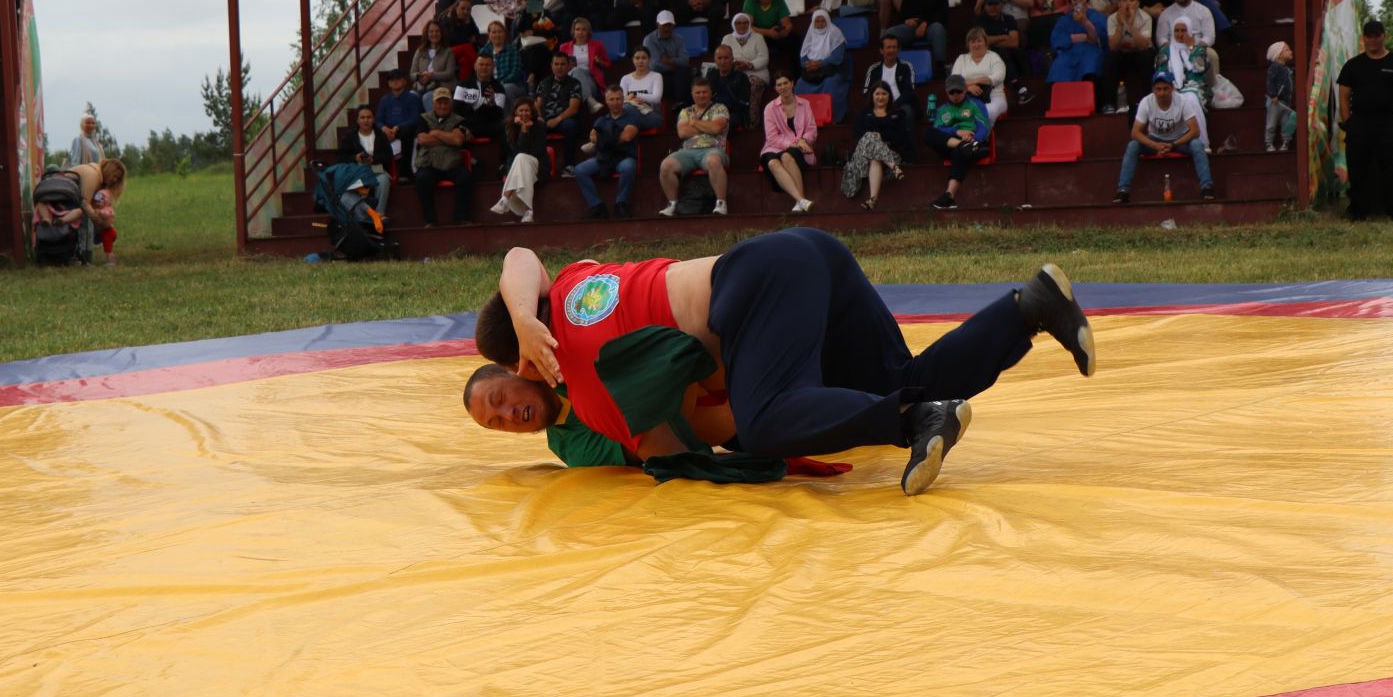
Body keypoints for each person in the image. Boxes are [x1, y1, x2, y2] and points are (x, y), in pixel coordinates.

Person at [466, 232, 1095, 495]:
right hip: (801, 260)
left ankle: (915, 421)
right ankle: (1028, 308)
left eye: (498, 403)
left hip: (760, 287)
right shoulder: (580, 278)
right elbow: (521, 258)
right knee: (895, 380)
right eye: (497, 424)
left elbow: (713, 433)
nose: (508, 417)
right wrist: (524, 316)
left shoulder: (599, 402)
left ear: (519, 366)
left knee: (766, 421)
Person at [1335, 18, 1393, 221]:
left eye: (1377, 36)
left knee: (1392, 167)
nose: (1373, 40)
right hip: (1359, 124)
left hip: (1389, 123)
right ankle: (1358, 210)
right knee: (1357, 168)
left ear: (1384, 37)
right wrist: (1349, 123)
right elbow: (1343, 95)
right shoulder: (1353, 65)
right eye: (1369, 36)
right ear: (1364, 39)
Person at [1116, 72, 1215, 203]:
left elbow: (1195, 131)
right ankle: (1123, 190)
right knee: (1133, 145)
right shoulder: (1146, 102)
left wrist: (1173, 144)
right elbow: (1135, 133)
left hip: (1179, 140)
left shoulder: (1182, 101)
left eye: (1165, 88)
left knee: (1197, 144)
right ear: (1153, 89)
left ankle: (1206, 187)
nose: (1162, 93)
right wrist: (1156, 146)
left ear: (1172, 88)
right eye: (1158, 89)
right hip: (1155, 140)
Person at [658, 77, 730, 218]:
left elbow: (716, 128)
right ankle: (672, 204)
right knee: (666, 165)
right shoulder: (685, 111)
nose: (701, 95)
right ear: (692, 93)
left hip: (712, 149)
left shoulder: (720, 108)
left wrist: (694, 122)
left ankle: (721, 203)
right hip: (687, 152)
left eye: (704, 92)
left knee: (714, 161)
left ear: (711, 93)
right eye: (698, 92)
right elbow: (682, 132)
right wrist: (706, 125)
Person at [924, 74, 992, 213]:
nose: (955, 95)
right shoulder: (942, 109)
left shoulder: (975, 104)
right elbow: (938, 129)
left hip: (974, 145)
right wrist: (957, 132)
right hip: (952, 144)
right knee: (928, 133)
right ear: (946, 92)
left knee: (960, 152)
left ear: (965, 90)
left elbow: (984, 126)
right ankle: (961, 145)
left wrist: (973, 141)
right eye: (951, 92)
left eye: (959, 91)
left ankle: (949, 196)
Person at [842, 82, 910, 209]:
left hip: (890, 157)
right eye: (877, 93)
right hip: (863, 160)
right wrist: (875, 137)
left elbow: (902, 136)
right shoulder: (863, 114)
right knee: (869, 136)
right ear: (872, 96)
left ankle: (873, 199)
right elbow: (857, 134)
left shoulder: (898, 113)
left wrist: (882, 136)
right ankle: (893, 167)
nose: (880, 97)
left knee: (876, 158)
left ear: (889, 95)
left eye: (884, 93)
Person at [576, 86, 640, 218]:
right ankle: (597, 205)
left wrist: (603, 139)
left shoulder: (632, 117)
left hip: (624, 156)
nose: (615, 102)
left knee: (629, 166)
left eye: (618, 99)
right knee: (579, 170)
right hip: (604, 157)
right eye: (612, 99)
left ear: (623, 100)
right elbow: (593, 137)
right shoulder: (601, 120)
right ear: (606, 101)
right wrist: (614, 137)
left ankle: (621, 203)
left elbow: (627, 136)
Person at [411, 88, 472, 227]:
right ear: (433, 103)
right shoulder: (423, 118)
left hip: (452, 163)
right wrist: (448, 137)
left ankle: (461, 217)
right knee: (422, 178)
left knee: (465, 177)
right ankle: (430, 220)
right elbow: (422, 140)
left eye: (446, 102)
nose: (443, 106)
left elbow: (458, 141)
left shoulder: (459, 120)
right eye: (439, 102)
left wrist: (436, 133)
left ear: (451, 103)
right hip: (429, 163)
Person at [760, 74, 819, 214]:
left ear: (792, 83)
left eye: (785, 83)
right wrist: (793, 143)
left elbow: (812, 130)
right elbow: (772, 138)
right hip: (773, 147)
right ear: (775, 88)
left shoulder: (804, 104)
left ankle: (799, 202)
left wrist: (804, 140)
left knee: (787, 157)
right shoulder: (770, 108)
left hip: (799, 146)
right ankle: (801, 200)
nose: (783, 87)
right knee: (772, 163)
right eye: (779, 85)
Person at [489, 99, 547, 225]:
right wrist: (522, 129)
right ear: (515, 112)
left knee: (522, 158)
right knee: (521, 158)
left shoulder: (540, 125)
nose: (524, 113)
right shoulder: (509, 126)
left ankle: (505, 199)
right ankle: (528, 212)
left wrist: (525, 131)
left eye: (527, 110)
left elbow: (537, 151)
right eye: (521, 110)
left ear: (531, 112)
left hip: (538, 164)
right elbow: (515, 152)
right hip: (520, 165)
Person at [886, 0, 951, 70]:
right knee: (890, 33)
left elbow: (943, 16)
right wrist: (906, 21)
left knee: (938, 29)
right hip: (912, 28)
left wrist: (926, 23)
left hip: (931, 27)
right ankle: (892, 66)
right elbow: (901, 18)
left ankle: (940, 66)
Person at [1154, 19, 1214, 136]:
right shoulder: (1165, 51)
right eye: (1177, 30)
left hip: (1196, 87)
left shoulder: (1199, 49)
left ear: (1190, 32)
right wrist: (1171, 88)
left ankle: (1200, 140)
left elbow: (1201, 67)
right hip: (1171, 87)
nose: (1180, 34)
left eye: (1183, 30)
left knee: (1190, 98)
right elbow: (1161, 74)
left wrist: (1191, 48)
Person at [794, 8, 850, 124]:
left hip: (833, 71)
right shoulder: (811, 33)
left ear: (828, 21)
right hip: (813, 72)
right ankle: (803, 120)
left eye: (823, 21)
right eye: (817, 21)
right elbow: (802, 59)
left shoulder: (835, 33)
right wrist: (808, 65)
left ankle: (832, 118)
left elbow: (838, 57)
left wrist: (820, 63)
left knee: (831, 84)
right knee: (800, 84)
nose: (820, 24)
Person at [1103, 0, 1155, 114]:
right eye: (1124, 0)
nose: (1128, 4)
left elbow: (1143, 46)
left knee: (1147, 56)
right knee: (1110, 57)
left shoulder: (1145, 18)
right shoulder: (1112, 18)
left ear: (1137, 3)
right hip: (1122, 54)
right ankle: (1108, 104)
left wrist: (1131, 25)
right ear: (1119, 4)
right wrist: (1121, 26)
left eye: (1132, 0)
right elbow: (1113, 46)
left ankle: (1150, 101)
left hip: (1140, 54)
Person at [535, 49, 587, 172]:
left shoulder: (575, 83)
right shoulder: (544, 83)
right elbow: (537, 105)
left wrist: (557, 119)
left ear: (568, 66)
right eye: (556, 64)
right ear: (551, 66)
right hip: (545, 119)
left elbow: (573, 108)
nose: (559, 67)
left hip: (564, 119)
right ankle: (538, 165)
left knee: (571, 126)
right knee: (533, 126)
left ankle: (568, 165)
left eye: (563, 64)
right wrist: (539, 117)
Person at [1047, 0, 1106, 89]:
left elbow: (1099, 39)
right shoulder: (1063, 20)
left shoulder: (1098, 16)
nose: (1078, 2)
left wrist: (1085, 22)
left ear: (1087, 2)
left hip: (1090, 50)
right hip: (1069, 51)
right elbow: (1057, 40)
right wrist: (1082, 37)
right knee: (1059, 65)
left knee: (1090, 65)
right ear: (1070, 3)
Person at [955, 24, 1011, 127]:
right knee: (962, 112)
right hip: (967, 97)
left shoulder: (994, 57)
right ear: (968, 45)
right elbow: (954, 81)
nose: (976, 45)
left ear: (986, 43)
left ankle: (980, 138)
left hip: (994, 96)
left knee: (988, 110)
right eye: (973, 42)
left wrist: (974, 81)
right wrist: (968, 88)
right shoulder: (961, 59)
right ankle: (974, 139)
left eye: (979, 41)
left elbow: (999, 77)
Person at [861, 35, 918, 133]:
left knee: (907, 111)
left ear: (898, 49)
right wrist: (880, 105)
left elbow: (909, 91)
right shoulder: (873, 69)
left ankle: (908, 146)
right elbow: (867, 92)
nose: (892, 50)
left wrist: (894, 105)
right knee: (864, 115)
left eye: (894, 47)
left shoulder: (906, 67)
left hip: (900, 105)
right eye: (888, 47)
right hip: (878, 103)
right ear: (881, 50)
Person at [349, 104, 396, 213]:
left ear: (373, 120)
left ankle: (378, 215)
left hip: (377, 168)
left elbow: (388, 157)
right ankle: (361, 215)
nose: (366, 120)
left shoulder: (381, 136)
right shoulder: (350, 137)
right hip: (358, 169)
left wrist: (373, 159)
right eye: (362, 117)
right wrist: (355, 158)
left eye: (369, 117)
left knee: (383, 180)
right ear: (357, 120)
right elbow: (341, 157)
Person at [453, 52, 509, 142]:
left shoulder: (498, 87)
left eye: (488, 65)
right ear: (475, 66)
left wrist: (492, 103)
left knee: (500, 126)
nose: (484, 68)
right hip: (466, 123)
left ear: (493, 67)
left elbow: (498, 115)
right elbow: (456, 110)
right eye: (481, 64)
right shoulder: (463, 84)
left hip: (486, 125)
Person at [742, 0, 797, 67]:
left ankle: (795, 74)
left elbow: (787, 23)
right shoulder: (750, 1)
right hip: (758, 35)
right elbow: (748, 28)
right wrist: (768, 33)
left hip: (776, 33)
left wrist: (785, 31)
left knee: (795, 39)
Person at [642, 11, 691, 106]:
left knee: (685, 72)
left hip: (677, 74)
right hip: (658, 77)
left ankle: (681, 103)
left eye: (670, 25)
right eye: (664, 25)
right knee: (682, 75)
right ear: (658, 24)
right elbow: (654, 66)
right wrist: (675, 64)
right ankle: (681, 103)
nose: (667, 28)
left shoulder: (679, 39)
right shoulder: (649, 40)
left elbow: (685, 60)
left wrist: (669, 60)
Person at [376, 68, 425, 159]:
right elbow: (379, 120)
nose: (395, 82)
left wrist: (398, 127)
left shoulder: (412, 98)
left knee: (406, 132)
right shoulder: (384, 99)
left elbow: (416, 118)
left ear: (404, 81)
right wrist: (384, 128)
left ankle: (405, 168)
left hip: (406, 130)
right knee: (378, 133)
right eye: (392, 80)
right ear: (388, 83)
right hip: (389, 130)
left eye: (398, 79)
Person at [705, 43, 755, 131]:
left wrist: (721, 108)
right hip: (713, 112)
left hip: (733, 113)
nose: (723, 62)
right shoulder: (711, 75)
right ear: (715, 60)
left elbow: (743, 103)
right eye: (719, 58)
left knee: (717, 124)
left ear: (732, 59)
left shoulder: (741, 77)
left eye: (726, 58)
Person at [720, 11, 771, 92]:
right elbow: (722, 56)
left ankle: (753, 105)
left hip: (757, 74)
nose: (742, 26)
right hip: (733, 74)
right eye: (738, 23)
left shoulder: (758, 37)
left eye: (745, 23)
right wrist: (734, 64)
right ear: (733, 24)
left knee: (752, 84)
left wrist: (748, 65)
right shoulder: (727, 39)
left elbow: (764, 58)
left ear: (749, 24)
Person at [617, 46, 666, 130]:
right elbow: (621, 100)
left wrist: (634, 95)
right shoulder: (625, 78)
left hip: (652, 114)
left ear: (649, 60)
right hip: (631, 114)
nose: (640, 61)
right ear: (633, 60)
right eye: (637, 58)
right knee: (629, 117)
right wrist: (634, 100)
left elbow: (656, 98)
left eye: (644, 58)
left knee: (625, 112)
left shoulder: (656, 76)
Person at [481, 20, 528, 106]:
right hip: (489, 83)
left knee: (505, 88)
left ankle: (511, 116)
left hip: (512, 84)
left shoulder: (512, 49)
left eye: (500, 32)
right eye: (494, 32)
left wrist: (499, 84)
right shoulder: (484, 51)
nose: (497, 35)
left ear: (504, 33)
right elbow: (479, 71)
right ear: (489, 35)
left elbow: (515, 72)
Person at [1264, 41, 1298, 152]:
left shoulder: (1287, 69)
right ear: (1279, 54)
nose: (1291, 51)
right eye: (1287, 50)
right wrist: (1273, 94)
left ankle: (1286, 142)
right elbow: (1270, 82)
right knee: (1271, 123)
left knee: (1286, 123)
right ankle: (1269, 143)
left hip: (1285, 102)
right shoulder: (1274, 68)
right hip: (1275, 101)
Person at [409, 19, 456, 97]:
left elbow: (449, 73)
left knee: (427, 97)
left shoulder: (448, 51)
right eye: (431, 31)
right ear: (427, 34)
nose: (434, 34)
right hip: (422, 87)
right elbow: (412, 74)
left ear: (441, 33)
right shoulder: (420, 51)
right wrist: (420, 77)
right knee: (411, 97)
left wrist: (431, 75)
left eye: (437, 31)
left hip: (441, 87)